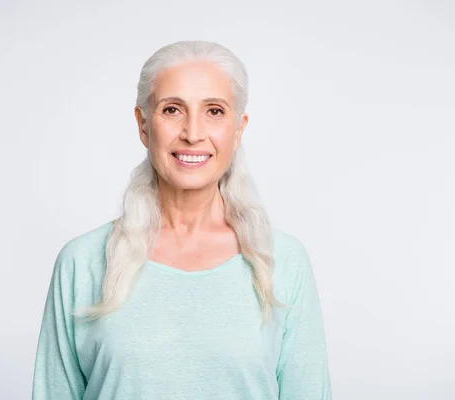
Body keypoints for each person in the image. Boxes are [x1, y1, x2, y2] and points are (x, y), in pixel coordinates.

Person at [32, 40, 332, 400]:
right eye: (172, 109)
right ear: (143, 125)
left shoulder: (284, 261)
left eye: (215, 111)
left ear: (238, 129)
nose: (192, 132)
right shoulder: (81, 263)